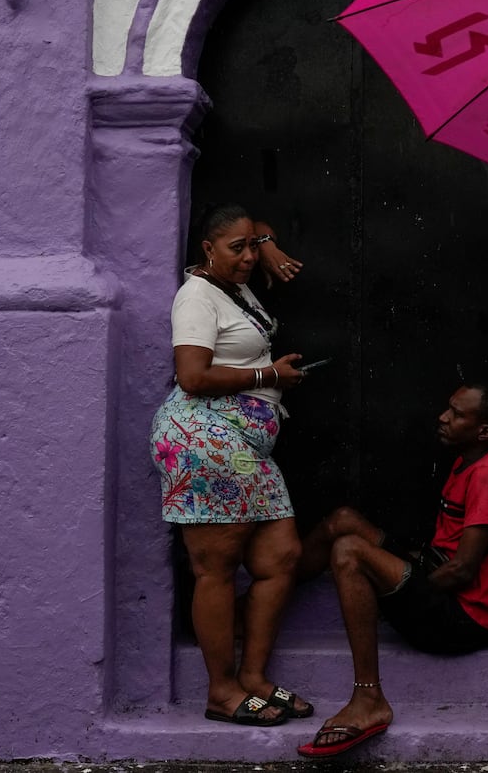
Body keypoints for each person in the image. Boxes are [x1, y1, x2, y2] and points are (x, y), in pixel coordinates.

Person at [149, 203, 315, 726]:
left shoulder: (232, 287)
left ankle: (255, 678)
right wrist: (268, 377)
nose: (246, 257)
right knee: (216, 568)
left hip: (244, 445)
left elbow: (246, 219)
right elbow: (193, 376)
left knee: (281, 555)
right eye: (235, 249)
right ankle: (222, 691)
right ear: (207, 250)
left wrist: (264, 243)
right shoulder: (196, 295)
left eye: (250, 246)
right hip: (206, 439)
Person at [292, 382, 488, 759]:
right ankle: (257, 606)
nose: (443, 418)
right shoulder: (468, 460)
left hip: (465, 618)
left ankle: (368, 698)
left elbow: (462, 570)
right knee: (343, 521)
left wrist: (400, 581)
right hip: (438, 575)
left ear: (484, 431)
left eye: (457, 414)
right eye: (448, 408)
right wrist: (403, 572)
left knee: (348, 552)